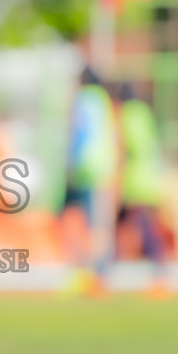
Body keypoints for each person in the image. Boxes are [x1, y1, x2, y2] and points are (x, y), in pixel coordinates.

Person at [59, 67, 117, 295]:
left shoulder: (82, 99)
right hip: (102, 167)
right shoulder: (104, 100)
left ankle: (81, 272)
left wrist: (70, 163)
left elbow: (78, 132)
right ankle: (99, 274)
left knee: (71, 218)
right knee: (98, 223)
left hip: (83, 167)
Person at [114, 83, 169, 294]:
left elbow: (127, 147)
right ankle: (106, 271)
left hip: (136, 181)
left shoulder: (129, 115)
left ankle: (159, 273)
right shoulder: (144, 112)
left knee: (143, 228)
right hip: (150, 178)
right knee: (128, 225)